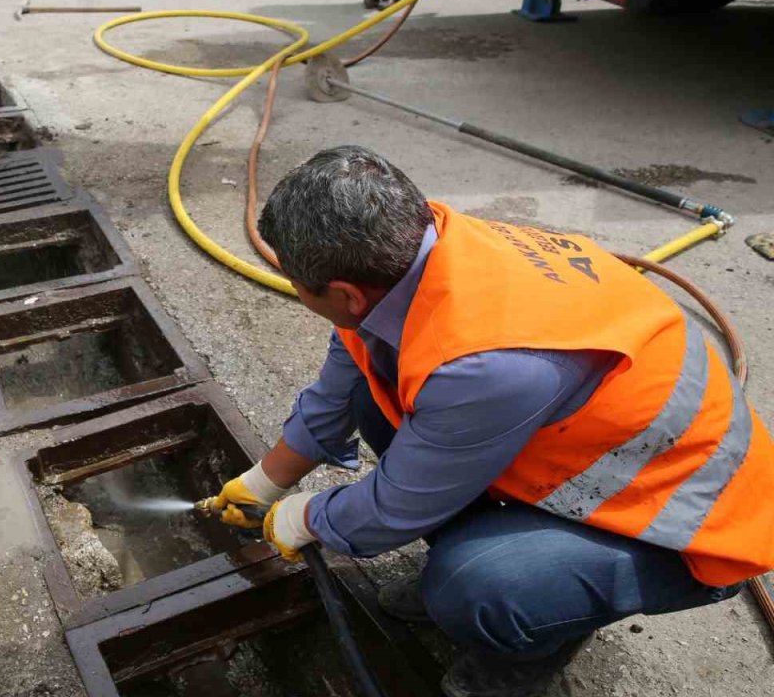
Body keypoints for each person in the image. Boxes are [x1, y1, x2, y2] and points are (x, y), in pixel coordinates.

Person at [211, 145, 774, 697]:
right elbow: (338, 387)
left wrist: (305, 518)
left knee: (480, 588)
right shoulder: (413, 250)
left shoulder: (482, 361)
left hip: (687, 521)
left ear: (345, 295)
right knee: (373, 401)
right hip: (596, 449)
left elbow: (392, 508)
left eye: (296, 284)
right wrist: (265, 483)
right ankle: (486, 563)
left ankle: (521, 644)